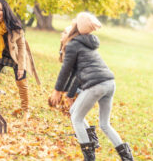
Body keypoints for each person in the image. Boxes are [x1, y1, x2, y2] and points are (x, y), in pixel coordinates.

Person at [49, 12, 134, 160]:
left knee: (76, 118)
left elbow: (66, 70)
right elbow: (75, 73)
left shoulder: (73, 45)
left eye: (67, 30)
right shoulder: (86, 44)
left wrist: (57, 91)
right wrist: (69, 95)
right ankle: (127, 157)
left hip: (97, 85)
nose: (64, 33)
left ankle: (89, 157)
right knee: (103, 123)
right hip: (109, 83)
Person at [0, 0, 40, 120]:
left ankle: (26, 110)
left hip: (16, 55)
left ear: (5, 11)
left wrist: (21, 67)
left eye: (0, 10)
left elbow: (21, 46)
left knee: (21, 82)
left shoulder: (14, 25)